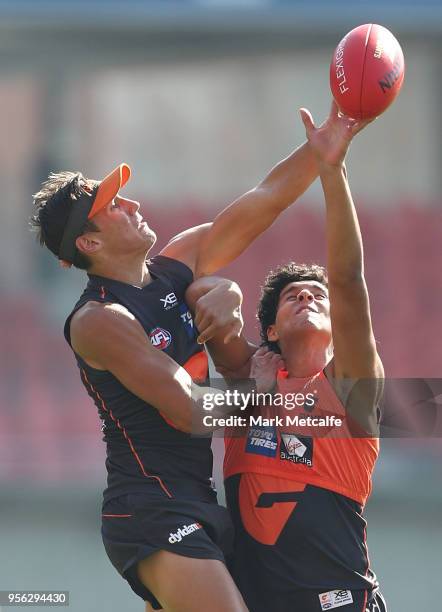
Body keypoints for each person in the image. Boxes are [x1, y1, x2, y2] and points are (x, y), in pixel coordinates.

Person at [30, 108, 339, 612]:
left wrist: (323, 147)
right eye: (111, 206)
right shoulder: (98, 319)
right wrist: (260, 392)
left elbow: (266, 199)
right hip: (150, 509)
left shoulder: (178, 266)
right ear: (90, 243)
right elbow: (190, 411)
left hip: (196, 499)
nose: (130, 202)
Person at [206, 103, 387, 611]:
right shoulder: (252, 377)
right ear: (270, 329)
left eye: (316, 295)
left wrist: (333, 171)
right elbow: (207, 297)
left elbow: (349, 284)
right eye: (293, 296)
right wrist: (228, 301)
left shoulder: (351, 388)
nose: (307, 297)